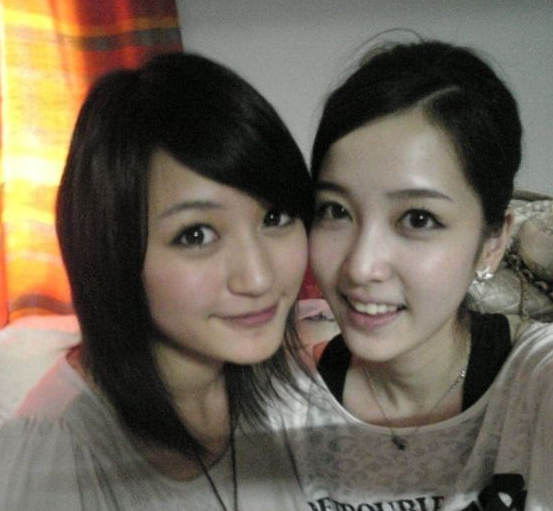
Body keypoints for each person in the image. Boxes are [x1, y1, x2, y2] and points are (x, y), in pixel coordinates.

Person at [0, 52, 312, 511]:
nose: (259, 277)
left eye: (275, 217)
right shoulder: (56, 458)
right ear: (112, 250)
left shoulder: (280, 386)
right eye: (196, 235)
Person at [283, 40, 553, 510]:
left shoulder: (534, 385)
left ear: (492, 243)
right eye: (335, 210)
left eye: (418, 218)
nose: (360, 266)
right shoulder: (287, 401)